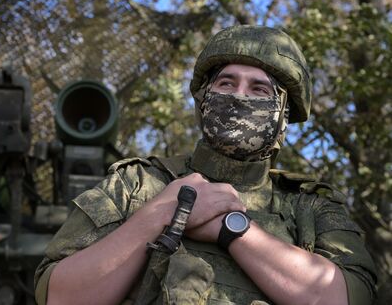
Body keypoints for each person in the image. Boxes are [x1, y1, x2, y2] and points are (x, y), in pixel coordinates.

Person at [34, 25, 377, 305]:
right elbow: (61, 296)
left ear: (282, 114)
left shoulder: (311, 207)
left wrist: (233, 230)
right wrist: (161, 214)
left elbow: (345, 296)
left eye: (259, 89)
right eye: (226, 83)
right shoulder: (136, 184)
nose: (239, 96)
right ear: (203, 99)